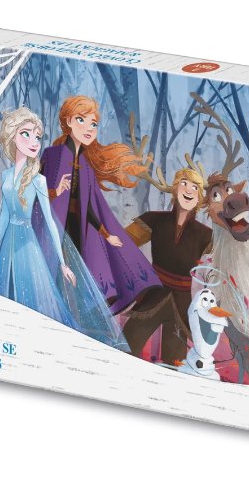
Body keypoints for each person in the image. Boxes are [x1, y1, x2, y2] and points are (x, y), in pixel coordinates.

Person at [0, 107, 125, 348]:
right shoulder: (5, 176)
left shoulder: (38, 180)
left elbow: (51, 222)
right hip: (6, 247)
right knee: (5, 298)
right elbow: (3, 216)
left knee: (29, 298)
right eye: (26, 134)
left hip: (27, 245)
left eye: (37, 136)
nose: (34, 142)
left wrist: (63, 263)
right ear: (12, 136)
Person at [39, 96, 160, 314]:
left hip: (78, 230)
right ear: (68, 121)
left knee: (79, 281)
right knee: (56, 279)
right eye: (81, 120)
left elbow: (89, 207)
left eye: (93, 124)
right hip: (55, 229)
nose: (89, 128)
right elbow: (35, 193)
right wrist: (55, 192)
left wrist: (106, 234)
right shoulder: (53, 155)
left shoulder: (86, 165)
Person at [121, 168, 211, 363]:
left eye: (195, 187)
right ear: (175, 189)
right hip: (154, 295)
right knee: (127, 345)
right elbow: (123, 241)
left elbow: (222, 261)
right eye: (184, 183)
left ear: (199, 196)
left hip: (182, 305)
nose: (188, 190)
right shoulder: (154, 219)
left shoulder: (205, 235)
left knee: (175, 362)